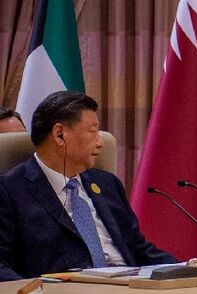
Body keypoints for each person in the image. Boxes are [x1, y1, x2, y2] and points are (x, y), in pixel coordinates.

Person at [0, 91, 176, 280]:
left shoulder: (108, 184)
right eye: (93, 132)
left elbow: (138, 248)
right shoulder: (10, 190)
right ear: (60, 135)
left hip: (131, 288)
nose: (100, 143)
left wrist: (190, 270)